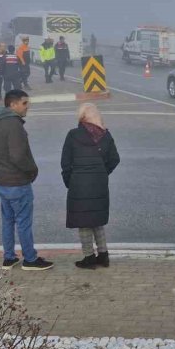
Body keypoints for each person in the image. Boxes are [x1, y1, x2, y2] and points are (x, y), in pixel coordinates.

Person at [0, 90, 54, 271]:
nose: (28, 107)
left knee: (8, 220)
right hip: (16, 181)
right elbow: (18, 156)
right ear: (13, 105)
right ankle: (30, 259)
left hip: (0, 179)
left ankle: (9, 257)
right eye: (24, 103)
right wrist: (32, 170)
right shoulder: (13, 125)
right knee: (23, 222)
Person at [62, 103, 121, 270]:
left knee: (84, 222)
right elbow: (114, 159)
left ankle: (88, 257)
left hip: (78, 185)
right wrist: (102, 173)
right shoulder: (106, 135)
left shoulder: (73, 135)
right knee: (97, 221)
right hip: (99, 183)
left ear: (81, 117)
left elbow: (66, 163)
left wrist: (70, 181)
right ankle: (103, 255)